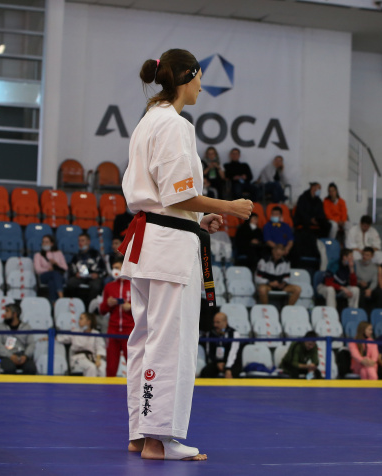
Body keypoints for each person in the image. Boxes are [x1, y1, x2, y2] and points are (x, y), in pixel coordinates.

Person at [120, 49, 252, 461]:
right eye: (199, 80)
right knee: (171, 341)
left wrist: (200, 219)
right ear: (187, 77)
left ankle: (140, 434)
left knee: (145, 338)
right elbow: (177, 193)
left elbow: (164, 197)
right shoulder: (175, 125)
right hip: (168, 250)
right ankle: (160, 439)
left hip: (150, 242)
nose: (201, 88)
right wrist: (229, 206)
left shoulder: (148, 121)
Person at [99, 258, 134, 378]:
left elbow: (144, 308)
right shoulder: (109, 287)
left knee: (133, 366)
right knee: (111, 367)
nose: (115, 270)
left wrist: (131, 307)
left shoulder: (134, 285)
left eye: (117, 268)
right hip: (113, 331)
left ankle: (135, 389)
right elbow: (102, 311)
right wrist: (107, 304)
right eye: (113, 268)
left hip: (129, 331)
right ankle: (109, 389)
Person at [0, 304, 37, 375]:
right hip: (6, 355)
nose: (4, 314)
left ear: (14, 314)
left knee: (31, 368)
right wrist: (10, 356)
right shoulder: (0, 327)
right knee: (9, 368)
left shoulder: (26, 327)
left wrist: (25, 356)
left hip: (22, 355)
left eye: (7, 311)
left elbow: (31, 344)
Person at [57, 312, 106, 377]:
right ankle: (89, 384)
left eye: (81, 319)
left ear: (88, 322)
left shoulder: (96, 333)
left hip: (93, 357)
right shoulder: (75, 331)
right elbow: (62, 338)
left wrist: (98, 359)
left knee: (103, 367)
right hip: (79, 358)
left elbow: (100, 347)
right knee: (91, 367)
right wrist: (50, 337)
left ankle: (103, 384)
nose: (79, 321)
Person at [66, 233, 107, 306]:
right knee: (71, 283)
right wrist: (76, 273)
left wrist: (97, 274)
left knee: (96, 286)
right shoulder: (76, 256)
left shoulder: (96, 254)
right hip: (80, 277)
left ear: (88, 242)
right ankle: (76, 305)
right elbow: (71, 268)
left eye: (82, 240)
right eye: (79, 241)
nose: (80, 243)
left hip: (93, 277)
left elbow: (103, 269)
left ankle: (91, 307)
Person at [200, 312, 242, 378]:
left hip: (232, 362)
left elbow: (233, 352)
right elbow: (209, 351)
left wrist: (228, 368)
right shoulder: (210, 334)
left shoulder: (234, 334)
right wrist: (217, 363)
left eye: (218, 322)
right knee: (206, 371)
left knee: (232, 373)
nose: (215, 325)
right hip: (216, 362)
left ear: (225, 322)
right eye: (214, 322)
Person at [33, 234, 68, 303]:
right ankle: (61, 297)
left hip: (58, 277)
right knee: (54, 274)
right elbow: (37, 269)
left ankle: (54, 303)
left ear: (51, 243)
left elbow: (65, 268)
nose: (44, 244)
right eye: (43, 242)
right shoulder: (38, 255)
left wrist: (56, 264)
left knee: (52, 282)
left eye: (46, 242)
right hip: (44, 276)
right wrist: (48, 269)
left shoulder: (59, 253)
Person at [355, 247, 378, 311]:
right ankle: (361, 312)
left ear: (372, 256)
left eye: (367, 255)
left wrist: (370, 289)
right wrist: (359, 282)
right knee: (360, 292)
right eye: (363, 254)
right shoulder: (356, 263)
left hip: (368, 285)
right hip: (358, 284)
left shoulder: (374, 267)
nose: (364, 257)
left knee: (379, 293)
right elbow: (351, 277)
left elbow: (374, 281)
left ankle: (377, 313)